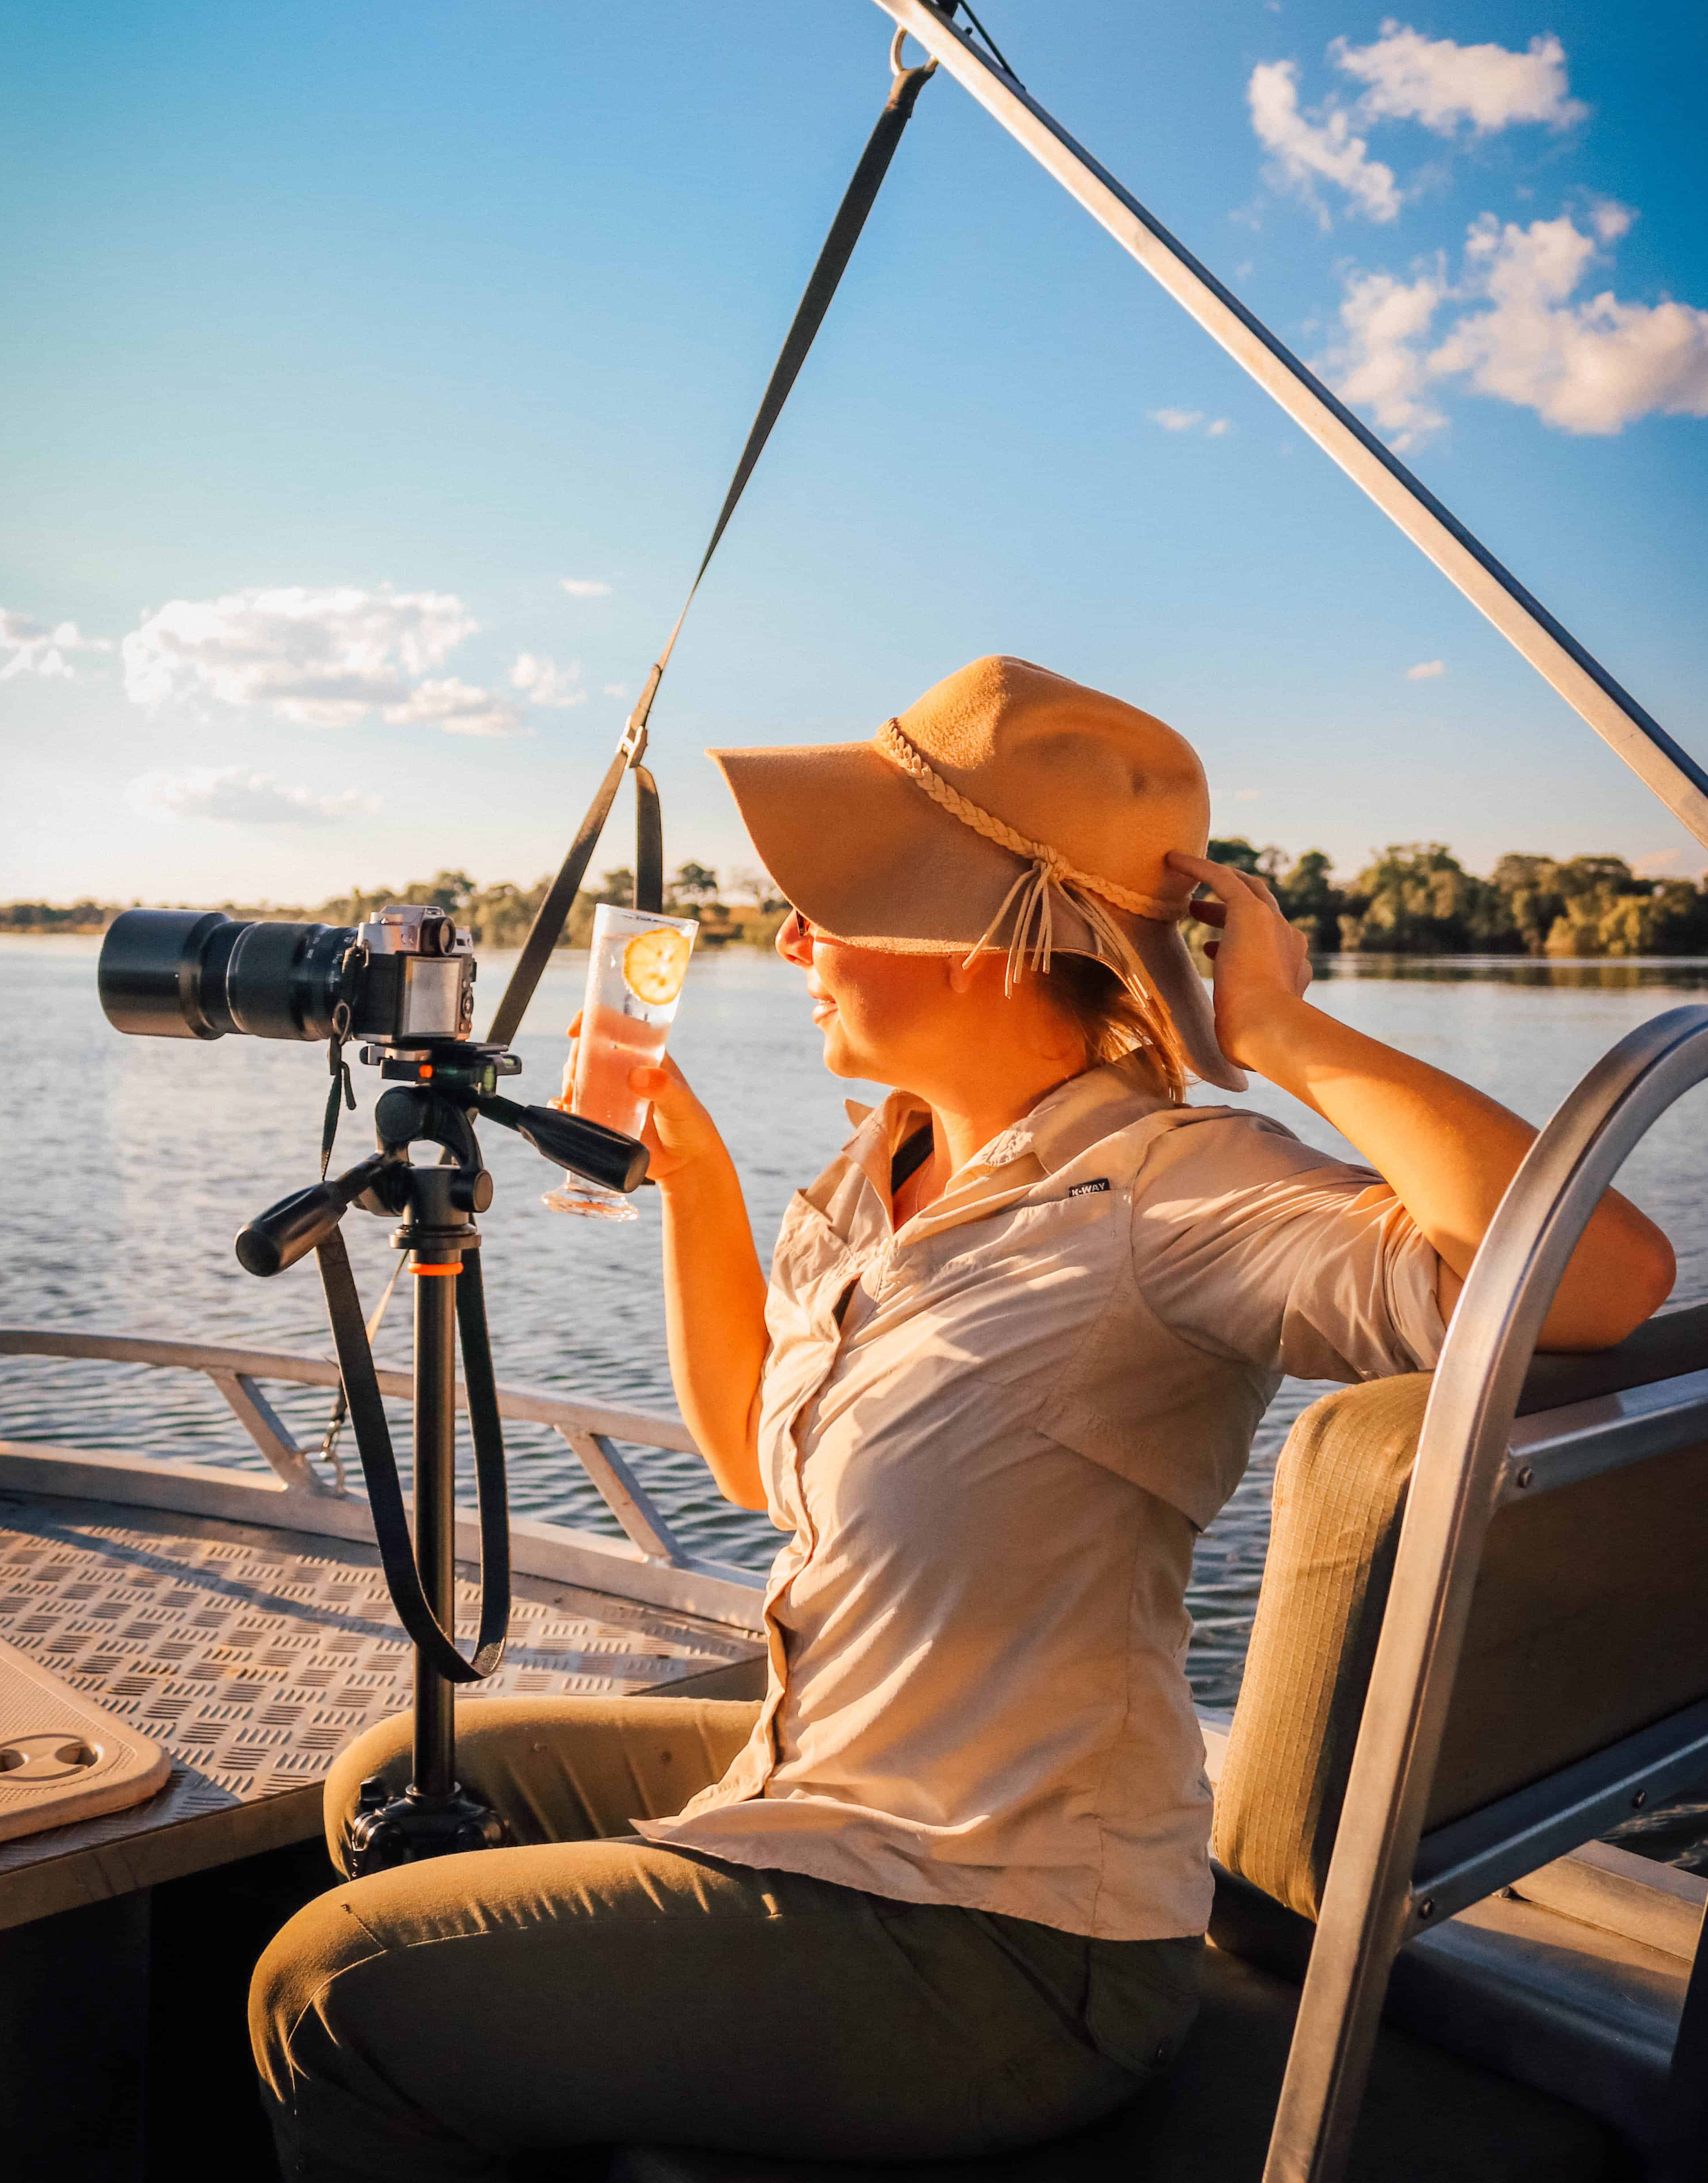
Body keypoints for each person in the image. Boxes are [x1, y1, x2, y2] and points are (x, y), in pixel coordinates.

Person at [251, 656, 1674, 2182]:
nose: (789, 935)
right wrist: (700, 1188)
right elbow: (750, 1457)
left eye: (840, 897)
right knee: (398, 1784)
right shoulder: (881, 1170)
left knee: (332, 1988)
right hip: (838, 1791)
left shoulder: (1171, 1195)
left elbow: (1606, 1276)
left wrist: (1282, 1038)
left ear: (998, 934)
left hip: (1007, 1923)